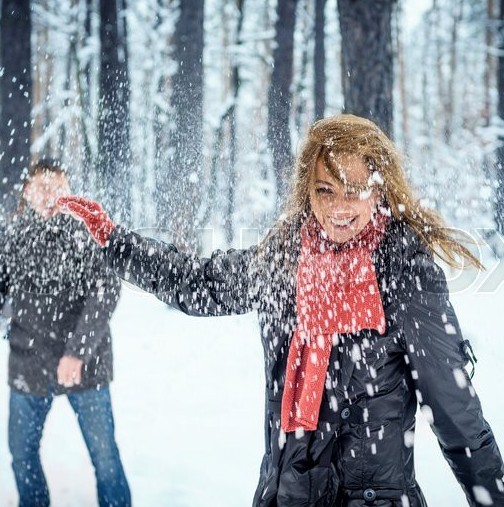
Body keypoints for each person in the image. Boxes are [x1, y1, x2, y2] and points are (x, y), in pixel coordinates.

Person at [59, 114, 504, 507]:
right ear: (307, 191)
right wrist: (116, 243)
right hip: (286, 492)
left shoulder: (404, 270)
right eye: (325, 190)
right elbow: (199, 282)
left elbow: (454, 408)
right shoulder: (284, 260)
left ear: (379, 189)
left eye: (354, 190)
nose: (338, 208)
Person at [0, 159, 131, 507]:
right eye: (41, 186)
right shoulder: (12, 237)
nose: (49, 194)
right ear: (27, 193)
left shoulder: (85, 233)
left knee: (104, 457)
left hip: (85, 364)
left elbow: (105, 291)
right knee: (21, 454)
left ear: (68, 191)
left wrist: (77, 352)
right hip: (28, 362)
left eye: (57, 186)